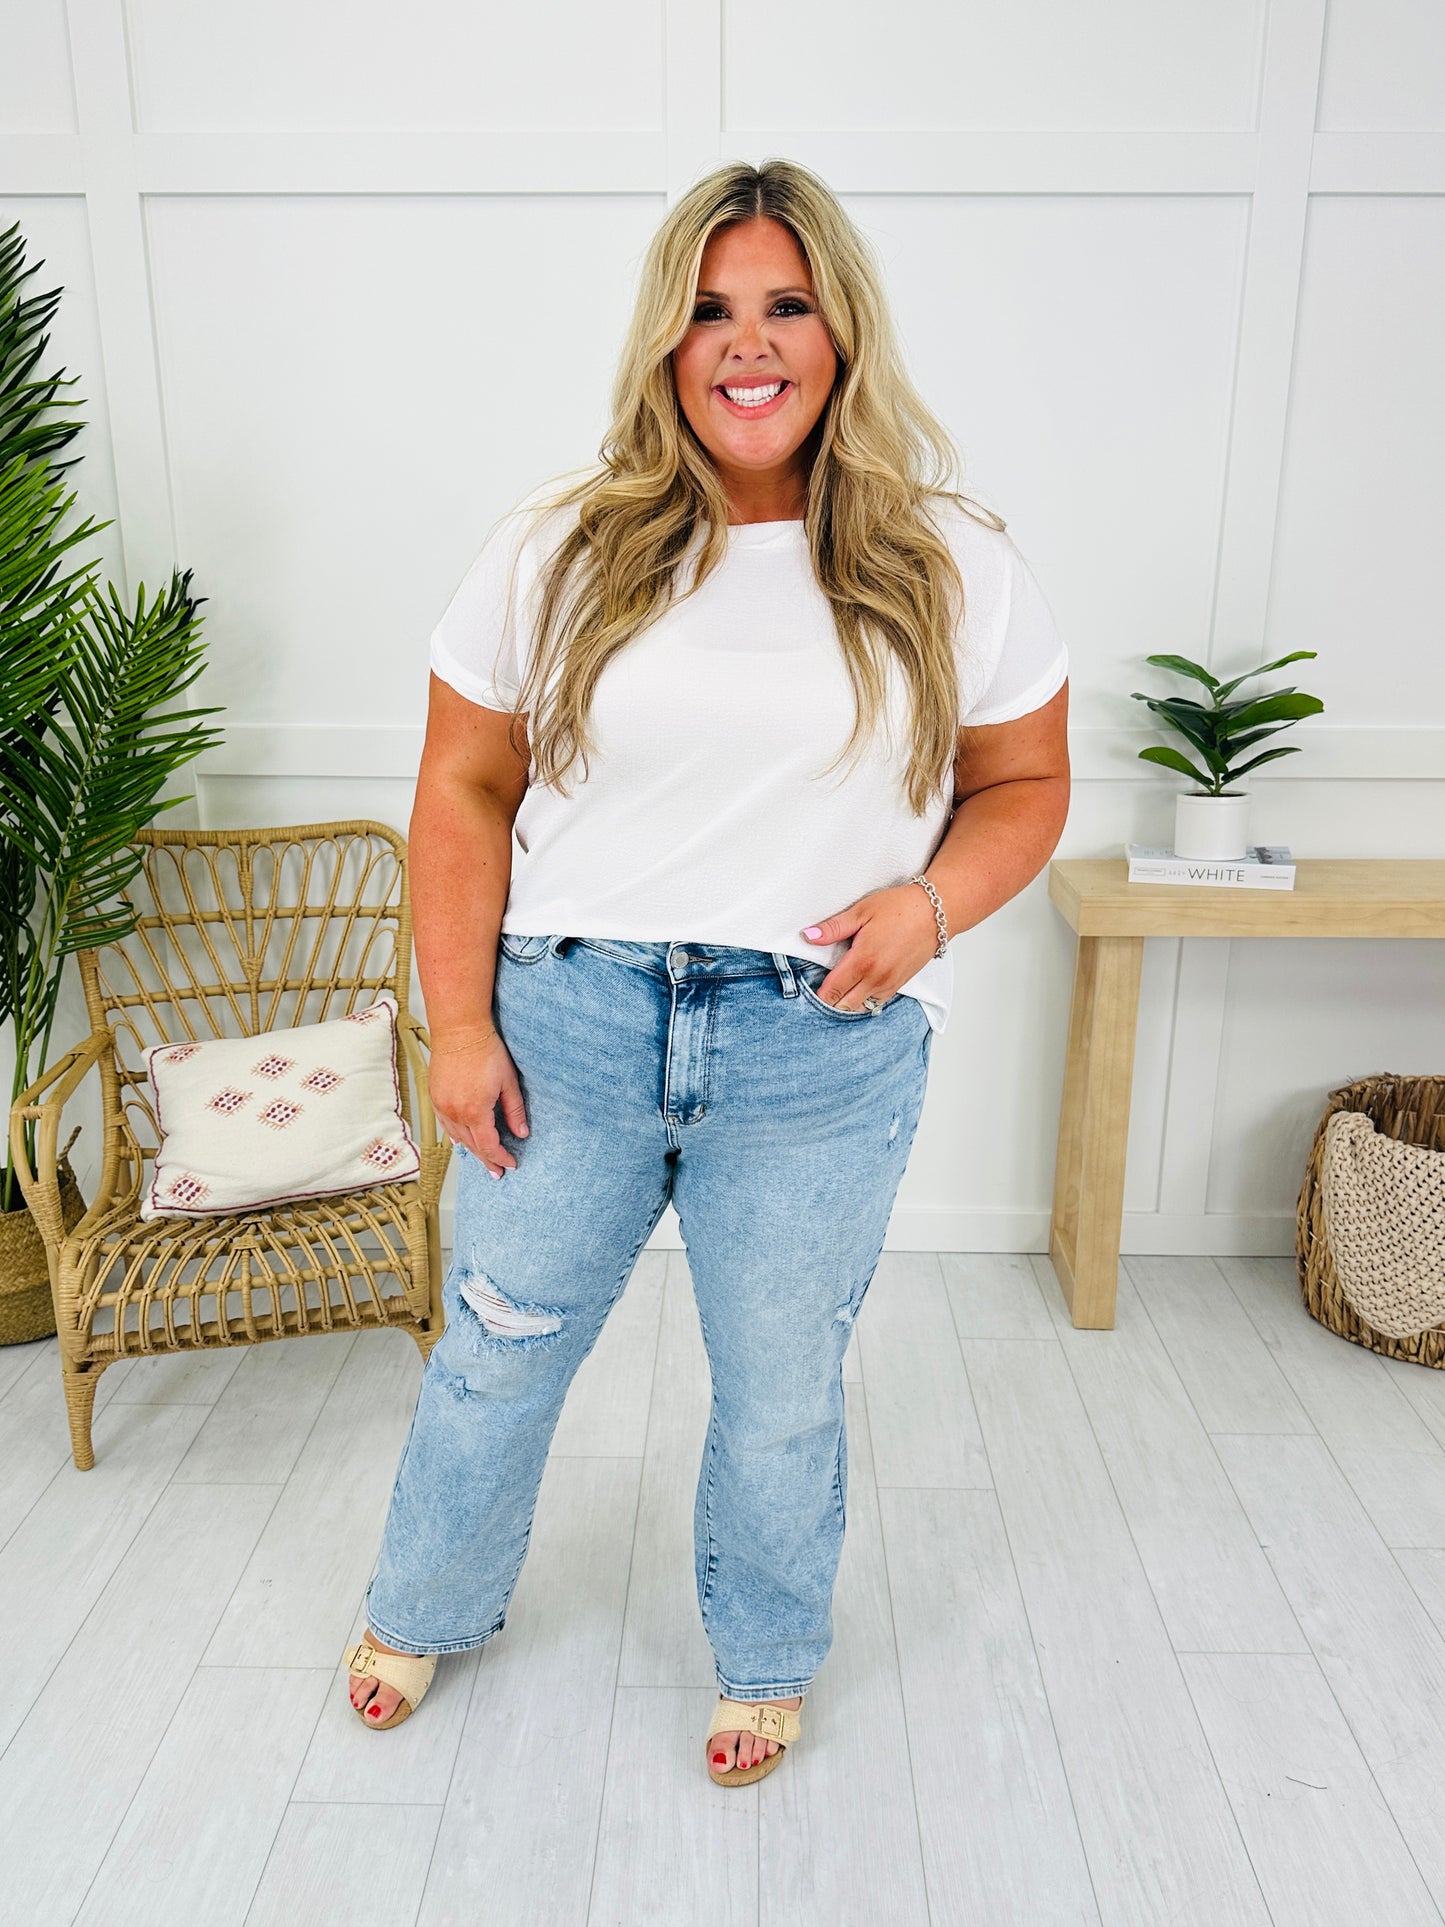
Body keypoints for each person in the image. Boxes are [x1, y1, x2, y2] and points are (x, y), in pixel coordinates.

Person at [344, 157, 1070, 1787]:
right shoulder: (558, 544)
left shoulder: (950, 558)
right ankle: (422, 1606)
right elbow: (461, 786)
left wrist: (931, 905)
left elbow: (1025, 784)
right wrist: (454, 1025)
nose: (748, 344)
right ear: (665, 341)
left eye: (785, 305)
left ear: (840, 332)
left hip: (819, 1045)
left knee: (780, 1391)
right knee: (497, 1348)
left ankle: (762, 1657)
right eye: (710, 309)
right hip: (570, 1022)